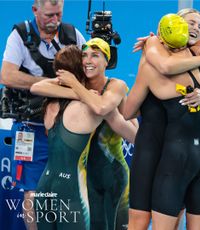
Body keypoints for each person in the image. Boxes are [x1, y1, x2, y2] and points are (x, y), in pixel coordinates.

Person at [124, 13, 200, 230]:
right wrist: (149, 52)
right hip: (154, 149)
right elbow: (163, 66)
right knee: (141, 219)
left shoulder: (196, 57)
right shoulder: (157, 56)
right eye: (190, 23)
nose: (195, 28)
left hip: (175, 151)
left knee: (174, 216)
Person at [31, 38, 138, 230]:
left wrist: (74, 85)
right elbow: (37, 87)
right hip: (82, 180)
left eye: (95, 55)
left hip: (110, 174)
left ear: (107, 61)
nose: (88, 60)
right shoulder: (80, 92)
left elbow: (104, 109)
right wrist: (77, 89)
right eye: (84, 56)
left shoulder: (115, 87)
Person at [0, 0, 85, 229]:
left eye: (58, 14)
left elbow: (89, 70)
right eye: (49, 15)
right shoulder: (19, 35)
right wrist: (50, 84)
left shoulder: (72, 34)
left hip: (66, 129)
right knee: (33, 189)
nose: (54, 20)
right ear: (35, 10)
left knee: (71, 188)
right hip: (30, 128)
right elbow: (7, 76)